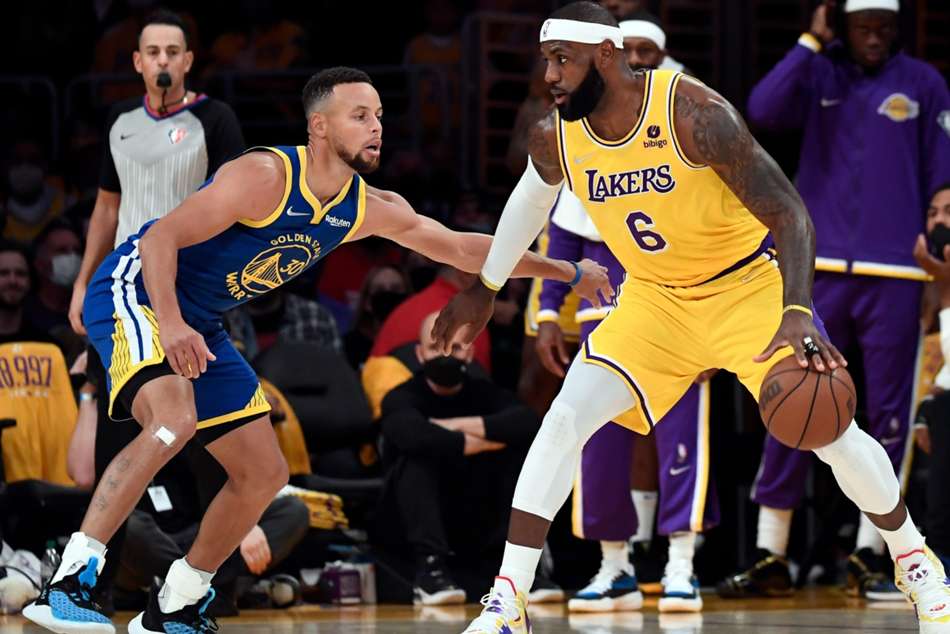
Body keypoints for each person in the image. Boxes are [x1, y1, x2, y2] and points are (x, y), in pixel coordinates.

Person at [23, 66, 610, 634]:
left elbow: (461, 248)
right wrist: (172, 325)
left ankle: (177, 603)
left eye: (379, 115)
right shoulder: (265, 176)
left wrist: (566, 270)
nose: (376, 127)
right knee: (172, 420)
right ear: (319, 126)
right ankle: (69, 583)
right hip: (138, 290)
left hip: (199, 318)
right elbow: (160, 239)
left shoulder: (366, 206)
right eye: (360, 116)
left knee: (263, 472)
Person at [433, 4, 950, 632]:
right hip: (654, 302)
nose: (550, 75)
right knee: (564, 421)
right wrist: (486, 286)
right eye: (547, 60)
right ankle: (508, 599)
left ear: (604, 56)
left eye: (562, 59)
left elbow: (790, 213)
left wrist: (795, 309)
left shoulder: (693, 113)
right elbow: (529, 202)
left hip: (745, 289)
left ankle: (915, 559)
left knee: (828, 428)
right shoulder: (556, 134)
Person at [726, 0, 950, 601]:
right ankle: (771, 551)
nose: (873, 38)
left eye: (884, 27)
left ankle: (875, 552)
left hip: (896, 271)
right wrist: (809, 41)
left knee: (889, 414)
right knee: (791, 397)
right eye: (862, 27)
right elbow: (762, 110)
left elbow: (943, 175)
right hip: (816, 269)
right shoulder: (820, 71)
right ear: (843, 26)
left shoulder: (924, 82)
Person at [378, 313, 540, 605]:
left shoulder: (485, 392)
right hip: (414, 516)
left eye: (455, 347)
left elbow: (527, 422)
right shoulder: (401, 396)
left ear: (470, 352)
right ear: (419, 354)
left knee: (515, 456)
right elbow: (412, 435)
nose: (445, 356)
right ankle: (431, 569)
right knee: (416, 460)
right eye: (436, 347)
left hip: (477, 509)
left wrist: (453, 426)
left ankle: (516, 569)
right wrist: (483, 439)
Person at [913, 182, 950, 570]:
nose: (939, 222)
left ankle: (941, 554)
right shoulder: (921, 283)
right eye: (932, 213)